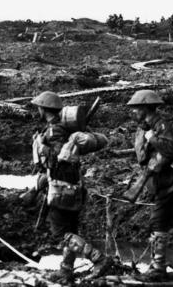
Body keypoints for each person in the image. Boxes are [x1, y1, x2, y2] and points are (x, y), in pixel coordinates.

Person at [30, 91, 112, 284]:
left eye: (39, 108)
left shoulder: (54, 131)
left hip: (61, 187)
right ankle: (66, 270)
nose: (38, 111)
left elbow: (58, 157)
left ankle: (99, 259)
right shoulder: (65, 129)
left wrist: (43, 149)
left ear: (44, 109)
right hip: (73, 186)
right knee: (70, 230)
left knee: (61, 233)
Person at [126, 89, 173, 282]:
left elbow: (171, 148)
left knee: (158, 222)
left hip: (170, 182)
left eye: (136, 108)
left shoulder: (161, 125)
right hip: (166, 182)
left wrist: (152, 138)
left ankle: (158, 268)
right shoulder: (148, 126)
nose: (134, 112)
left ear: (145, 108)